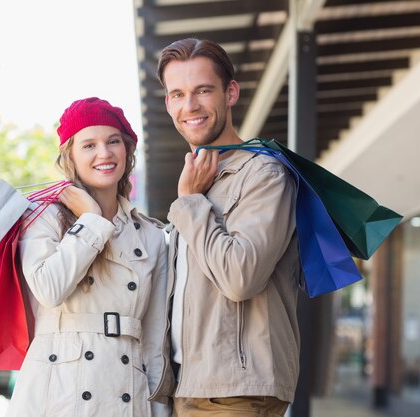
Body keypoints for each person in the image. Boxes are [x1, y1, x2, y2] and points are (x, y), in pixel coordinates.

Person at [154, 38, 301, 416]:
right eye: (178, 94)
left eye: (203, 90)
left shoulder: (264, 173)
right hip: (190, 384)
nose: (190, 106)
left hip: (236, 389)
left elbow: (241, 277)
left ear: (230, 93)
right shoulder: (200, 180)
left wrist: (189, 201)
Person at [6, 97, 171, 417]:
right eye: (89, 145)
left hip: (126, 392)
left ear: (127, 151)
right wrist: (92, 220)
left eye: (113, 142)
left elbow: (154, 342)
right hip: (57, 393)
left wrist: (159, 409)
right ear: (70, 155)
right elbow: (49, 288)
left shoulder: (151, 235)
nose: (104, 153)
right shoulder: (44, 217)